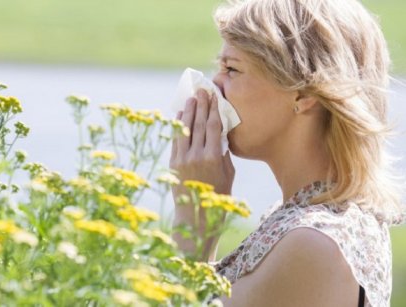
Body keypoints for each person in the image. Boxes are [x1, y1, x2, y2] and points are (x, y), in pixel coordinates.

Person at [169, 0, 405, 306]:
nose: (215, 83)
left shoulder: (313, 242)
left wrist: (195, 221)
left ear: (304, 93)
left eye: (232, 69)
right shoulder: (309, 220)